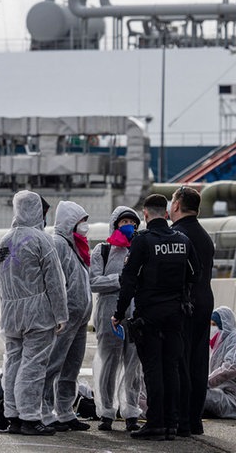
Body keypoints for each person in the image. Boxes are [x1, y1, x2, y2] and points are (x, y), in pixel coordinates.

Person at [112, 193, 195, 441]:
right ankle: (172, 423)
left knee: (153, 370)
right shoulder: (183, 239)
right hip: (176, 314)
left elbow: (128, 281)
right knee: (172, 368)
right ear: (166, 213)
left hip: (150, 315)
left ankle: (155, 424)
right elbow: (194, 274)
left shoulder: (143, 241)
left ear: (145, 215)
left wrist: (118, 313)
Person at [0, 190, 68, 436]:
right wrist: (61, 314)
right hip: (38, 313)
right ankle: (29, 417)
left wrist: (6, 306)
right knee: (33, 365)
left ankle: (13, 416)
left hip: (10, 311)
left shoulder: (3, 240)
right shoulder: (41, 240)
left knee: (13, 362)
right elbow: (55, 281)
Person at [90, 206, 143, 431]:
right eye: (124, 222)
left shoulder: (141, 249)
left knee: (133, 367)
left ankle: (131, 412)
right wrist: (121, 279)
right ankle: (107, 412)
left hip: (135, 314)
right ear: (115, 224)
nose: (129, 225)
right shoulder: (102, 250)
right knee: (107, 366)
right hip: (107, 314)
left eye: (133, 221)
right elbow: (93, 282)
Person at [40, 201, 92, 431]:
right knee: (53, 363)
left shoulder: (77, 245)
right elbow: (54, 281)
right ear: (71, 222)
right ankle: (44, 410)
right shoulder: (59, 244)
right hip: (66, 316)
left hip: (79, 318)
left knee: (72, 366)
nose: (85, 226)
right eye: (82, 221)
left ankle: (65, 410)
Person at [169, 186, 214, 435]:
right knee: (198, 361)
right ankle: (195, 420)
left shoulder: (176, 235)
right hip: (205, 300)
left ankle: (181, 420)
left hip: (183, 303)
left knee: (180, 361)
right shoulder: (205, 236)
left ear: (176, 206)